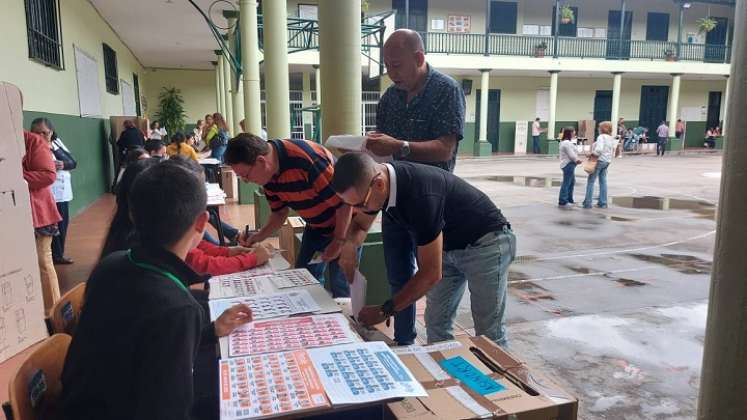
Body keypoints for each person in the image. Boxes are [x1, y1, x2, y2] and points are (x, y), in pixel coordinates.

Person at [62, 160, 253, 420]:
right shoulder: (177, 308)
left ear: (132, 214)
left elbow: (136, 337)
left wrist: (210, 332)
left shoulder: (112, 264)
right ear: (201, 223)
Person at [332, 153, 515, 345]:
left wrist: (384, 310)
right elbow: (360, 226)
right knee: (436, 324)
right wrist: (349, 246)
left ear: (379, 184)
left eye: (361, 204)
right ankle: (443, 371)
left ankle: (504, 372)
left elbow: (430, 273)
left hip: (486, 243)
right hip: (448, 246)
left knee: (488, 334)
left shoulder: (421, 196)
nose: (360, 211)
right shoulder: (380, 185)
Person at [360, 29, 466, 345]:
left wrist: (401, 145)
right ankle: (404, 339)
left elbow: (445, 148)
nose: (391, 74)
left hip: (429, 203)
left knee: (433, 277)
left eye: (397, 66)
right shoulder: (389, 98)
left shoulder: (447, 91)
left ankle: (439, 342)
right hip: (393, 200)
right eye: (387, 67)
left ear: (418, 58)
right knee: (397, 273)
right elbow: (385, 149)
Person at [224, 133, 356, 298]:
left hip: (347, 224)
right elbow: (279, 213)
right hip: (317, 225)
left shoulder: (308, 160)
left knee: (341, 283)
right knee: (305, 278)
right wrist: (258, 236)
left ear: (261, 161)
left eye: (246, 175)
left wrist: (339, 240)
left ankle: (349, 321)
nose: (245, 181)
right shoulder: (268, 176)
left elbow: (344, 203)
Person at [23, 130, 62, 312]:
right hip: (12, 213)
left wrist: (14, 176)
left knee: (43, 261)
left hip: (38, 213)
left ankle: (53, 313)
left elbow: (48, 175)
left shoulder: (32, 141)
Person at [30, 118, 76, 265]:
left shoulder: (56, 143)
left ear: (51, 132)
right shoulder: (31, 146)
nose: (41, 136)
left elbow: (73, 162)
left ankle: (58, 254)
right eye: (37, 133)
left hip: (62, 192)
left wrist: (62, 164)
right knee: (48, 228)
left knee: (62, 225)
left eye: (45, 132)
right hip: (46, 193)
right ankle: (49, 256)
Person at [583, 121, 618, 209]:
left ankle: (588, 203)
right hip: (607, 161)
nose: (598, 129)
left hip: (599, 160)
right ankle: (603, 203)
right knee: (603, 182)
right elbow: (613, 150)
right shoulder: (611, 138)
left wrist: (591, 154)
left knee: (591, 181)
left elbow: (599, 149)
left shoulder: (601, 137)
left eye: (599, 127)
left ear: (602, 129)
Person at [558, 127, 582, 207]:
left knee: (571, 182)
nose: (575, 133)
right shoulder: (566, 143)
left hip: (569, 164)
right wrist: (577, 160)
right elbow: (571, 155)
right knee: (567, 182)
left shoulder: (566, 142)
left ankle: (569, 199)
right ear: (570, 133)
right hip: (568, 164)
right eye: (574, 132)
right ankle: (563, 201)